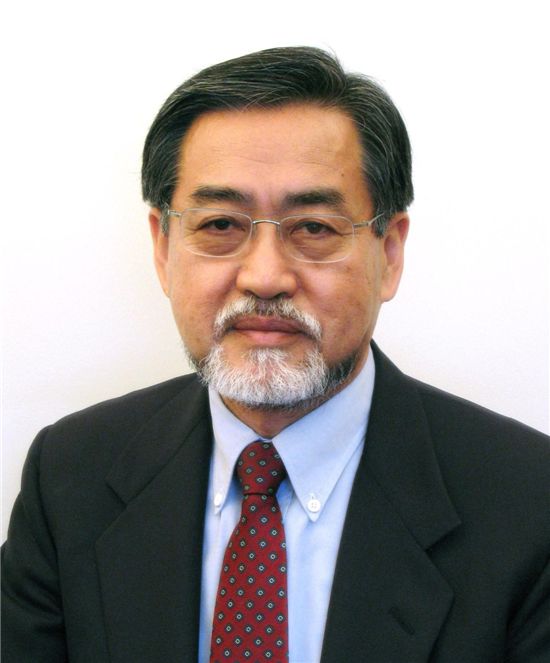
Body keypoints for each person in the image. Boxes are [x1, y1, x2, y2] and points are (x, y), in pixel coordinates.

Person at [2, 46, 549, 663]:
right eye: (220, 226)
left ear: (389, 252)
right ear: (163, 248)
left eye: (313, 228)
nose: (264, 277)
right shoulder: (69, 478)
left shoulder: (529, 504)